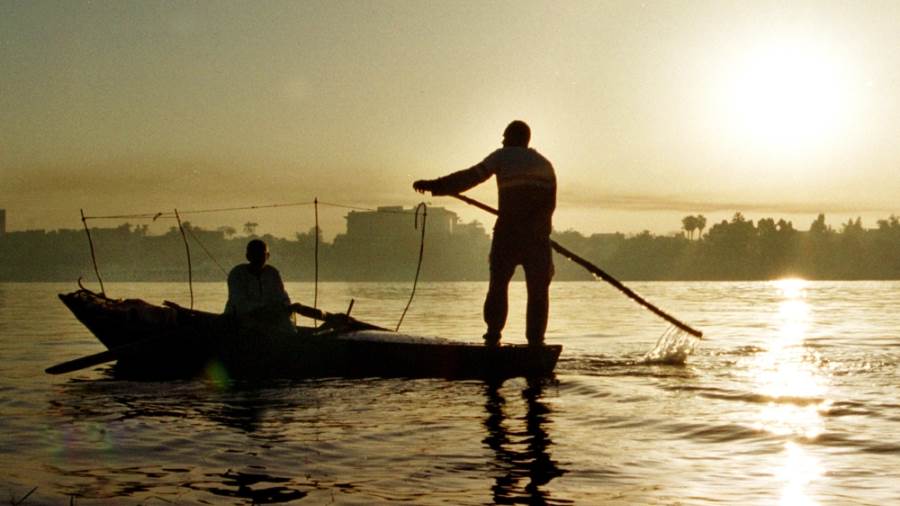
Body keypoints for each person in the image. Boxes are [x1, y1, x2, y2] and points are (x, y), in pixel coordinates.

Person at [413, 120, 556, 346]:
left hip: (508, 234)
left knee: (498, 286)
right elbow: (549, 207)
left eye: (505, 136)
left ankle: (492, 337)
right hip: (537, 238)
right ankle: (536, 343)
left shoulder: (502, 156)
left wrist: (435, 186)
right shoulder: (546, 165)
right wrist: (538, 232)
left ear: (513, 139)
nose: (502, 140)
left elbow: (470, 177)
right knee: (538, 292)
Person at [225, 239, 299, 334]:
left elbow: (282, 297)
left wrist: (288, 307)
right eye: (255, 254)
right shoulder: (237, 273)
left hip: (270, 320)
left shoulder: (273, 273)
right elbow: (239, 303)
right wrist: (265, 310)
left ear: (267, 256)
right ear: (248, 256)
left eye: (262, 254)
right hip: (240, 321)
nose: (258, 258)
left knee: (288, 329)